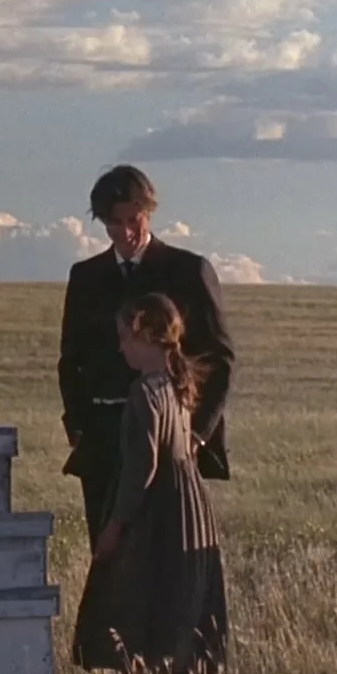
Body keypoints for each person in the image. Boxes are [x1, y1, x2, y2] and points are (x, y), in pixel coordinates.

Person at [58, 165, 235, 547]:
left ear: (149, 212)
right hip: (103, 437)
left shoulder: (188, 270)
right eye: (112, 222)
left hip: (169, 431)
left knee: (162, 556)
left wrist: (197, 435)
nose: (124, 231)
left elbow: (218, 358)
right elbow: (71, 359)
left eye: (132, 219)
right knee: (107, 554)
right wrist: (77, 425)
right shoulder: (86, 277)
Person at [71, 293, 230, 674]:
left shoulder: (144, 393)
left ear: (145, 335)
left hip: (160, 511)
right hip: (189, 505)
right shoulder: (177, 385)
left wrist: (115, 526)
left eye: (125, 337)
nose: (121, 347)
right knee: (182, 599)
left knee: (146, 598)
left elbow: (142, 468)